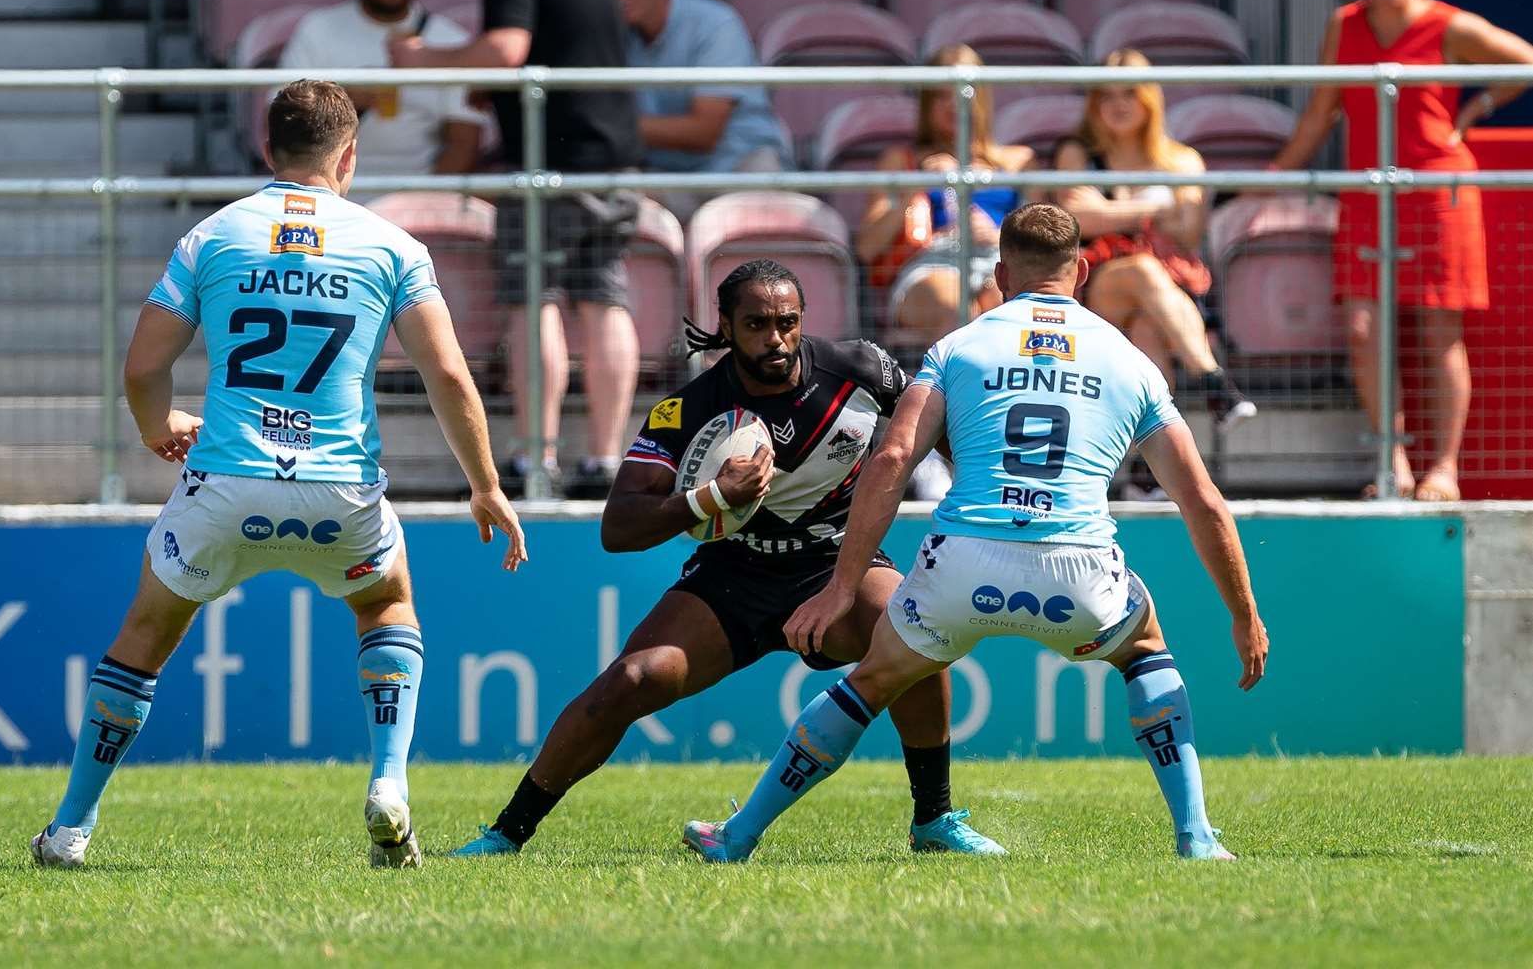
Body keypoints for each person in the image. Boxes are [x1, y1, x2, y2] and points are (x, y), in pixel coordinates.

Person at [29, 80, 527, 870]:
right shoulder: (393, 246)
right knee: (386, 600)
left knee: (148, 633)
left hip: (224, 484)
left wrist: (160, 429)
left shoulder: (213, 236)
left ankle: (70, 829)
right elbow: (450, 377)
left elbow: (141, 367)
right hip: (340, 490)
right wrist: (485, 484)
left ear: (268, 149)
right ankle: (389, 784)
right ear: (349, 155)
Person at [682, 203, 1269, 864]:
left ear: (998, 276)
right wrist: (1243, 614)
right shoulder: (1129, 361)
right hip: (1075, 571)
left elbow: (893, 458)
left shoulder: (957, 348)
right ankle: (1194, 837)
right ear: (1079, 270)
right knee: (1145, 652)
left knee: (870, 682)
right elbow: (1201, 501)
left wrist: (841, 588)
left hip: (961, 567)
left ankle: (738, 836)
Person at [449, 259, 999, 859]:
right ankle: (506, 834)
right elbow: (619, 526)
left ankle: (934, 820)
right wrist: (712, 497)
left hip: (837, 565)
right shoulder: (689, 410)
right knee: (629, 682)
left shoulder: (860, 368)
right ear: (728, 326)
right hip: (733, 577)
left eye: (788, 322)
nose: (776, 338)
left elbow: (947, 432)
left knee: (915, 636)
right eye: (758, 324)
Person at [1269, 0, 1533, 501]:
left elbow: (1524, 62)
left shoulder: (1447, 24)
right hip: (1368, 191)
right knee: (1364, 331)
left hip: (1439, 193)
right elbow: (1322, 112)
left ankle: (1444, 468)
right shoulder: (1346, 24)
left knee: (1440, 332)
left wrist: (1472, 111)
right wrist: (1272, 176)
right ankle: (1393, 462)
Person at [391, 0, 643, 499]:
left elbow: (508, 50)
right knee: (603, 298)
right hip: (612, 152)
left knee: (536, 300)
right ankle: (606, 462)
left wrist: (421, 60)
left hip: (547, 159)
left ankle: (537, 462)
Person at [1055, 50, 1255, 433]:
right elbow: (1079, 219)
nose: (1118, 105)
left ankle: (1146, 473)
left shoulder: (1181, 160)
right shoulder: (1078, 153)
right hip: (1098, 280)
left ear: (1149, 98)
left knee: (1149, 329)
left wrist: (1111, 208)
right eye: (1107, 96)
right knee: (1142, 271)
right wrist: (1156, 211)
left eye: (1129, 93)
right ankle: (1212, 379)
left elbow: (1189, 231)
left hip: (1170, 287)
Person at [856, 45, 1035, 352]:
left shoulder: (1019, 162)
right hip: (931, 263)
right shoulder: (902, 160)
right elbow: (868, 247)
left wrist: (998, 236)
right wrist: (916, 185)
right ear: (926, 104)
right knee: (953, 305)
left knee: (1003, 303)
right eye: (940, 96)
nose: (952, 105)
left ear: (983, 97)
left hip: (1001, 259)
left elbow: (1043, 239)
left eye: (963, 94)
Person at [278, 0, 486, 177]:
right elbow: (281, 123)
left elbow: (465, 141)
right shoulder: (316, 31)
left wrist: (421, 203)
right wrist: (345, 97)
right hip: (332, 195)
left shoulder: (451, 40)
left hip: (421, 204)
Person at [607, 0, 787, 221]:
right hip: (670, 177)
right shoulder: (618, 36)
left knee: (755, 255)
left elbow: (704, 132)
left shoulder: (714, 23)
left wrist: (614, 126)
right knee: (608, 205)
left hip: (739, 170)